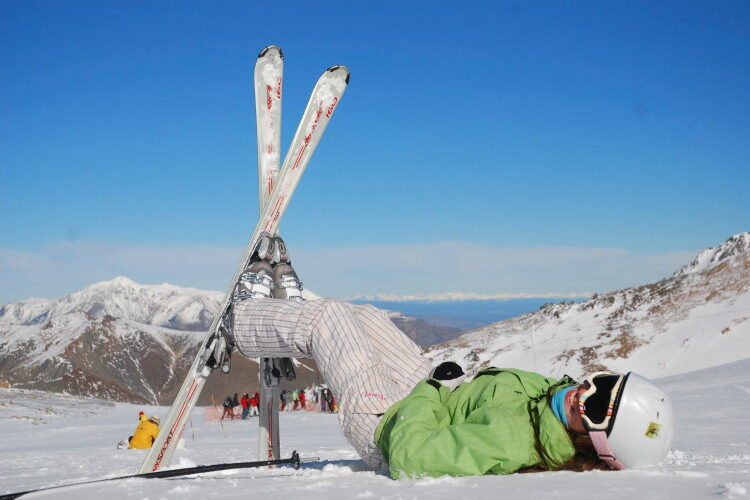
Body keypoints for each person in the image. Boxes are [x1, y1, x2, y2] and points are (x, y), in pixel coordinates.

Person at [220, 233, 675, 478]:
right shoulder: (551, 401)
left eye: (597, 406)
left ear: (596, 442)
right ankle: (281, 321)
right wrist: (441, 385)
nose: (586, 392)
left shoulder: (516, 439)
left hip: (390, 426)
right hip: (424, 396)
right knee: (366, 315)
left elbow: (411, 456)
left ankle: (237, 322)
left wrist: (434, 389)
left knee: (330, 322)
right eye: (603, 381)